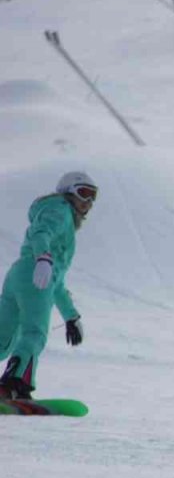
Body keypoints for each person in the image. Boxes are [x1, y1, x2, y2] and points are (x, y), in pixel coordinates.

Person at [0, 171, 96, 400]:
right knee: (35, 333)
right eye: (83, 193)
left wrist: (71, 316)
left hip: (20, 274)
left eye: (93, 196)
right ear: (68, 192)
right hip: (36, 271)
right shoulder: (60, 209)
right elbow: (40, 233)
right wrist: (43, 257)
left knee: (3, 338)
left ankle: (12, 384)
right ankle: (13, 386)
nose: (88, 202)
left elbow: (57, 283)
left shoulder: (60, 216)